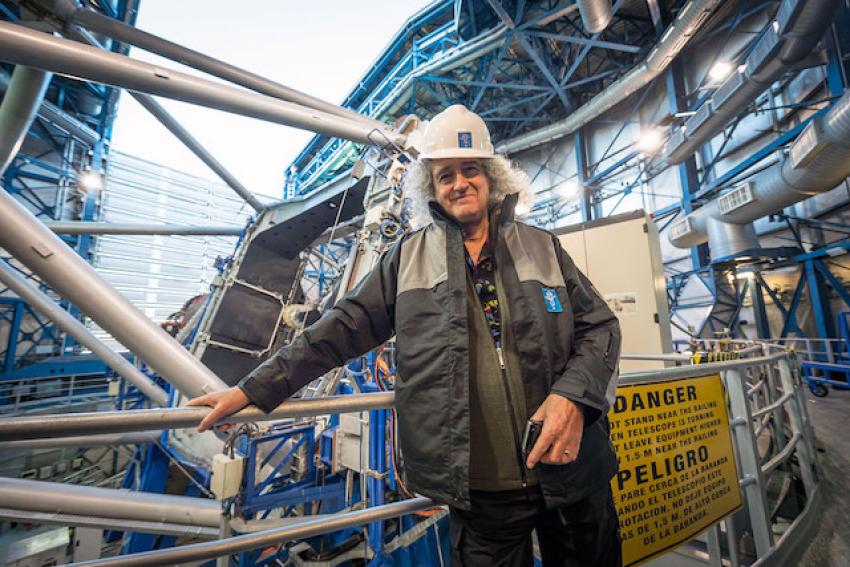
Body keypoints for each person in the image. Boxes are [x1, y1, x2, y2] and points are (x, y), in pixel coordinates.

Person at [188, 104, 622, 566]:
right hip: (482, 491)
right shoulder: (407, 259)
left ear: (491, 176)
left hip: (572, 471)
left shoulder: (543, 247)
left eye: (469, 169)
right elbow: (340, 328)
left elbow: (600, 327)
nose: (459, 183)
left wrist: (573, 398)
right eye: (445, 175)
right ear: (430, 188)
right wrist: (254, 387)